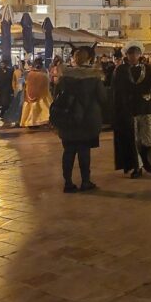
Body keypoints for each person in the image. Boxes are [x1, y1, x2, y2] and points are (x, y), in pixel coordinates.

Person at [55, 47, 106, 193]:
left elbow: (56, 95)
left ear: (74, 59)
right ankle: (85, 181)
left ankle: (68, 182)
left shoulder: (65, 76)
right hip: (87, 119)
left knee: (68, 151)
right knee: (84, 150)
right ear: (88, 59)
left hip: (68, 118)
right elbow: (103, 98)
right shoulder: (94, 77)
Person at [112, 44, 151, 178]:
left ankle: (146, 160)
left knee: (147, 138)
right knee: (133, 139)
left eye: (136, 53)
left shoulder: (146, 68)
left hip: (145, 106)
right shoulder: (121, 70)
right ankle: (137, 166)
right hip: (130, 108)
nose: (133, 56)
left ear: (140, 54)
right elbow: (116, 90)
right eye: (130, 53)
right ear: (126, 55)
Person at [20, 58, 53, 128]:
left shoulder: (29, 74)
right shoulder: (44, 75)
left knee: (31, 110)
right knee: (43, 108)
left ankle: (31, 122)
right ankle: (40, 122)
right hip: (42, 96)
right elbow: (47, 85)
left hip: (30, 95)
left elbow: (26, 84)